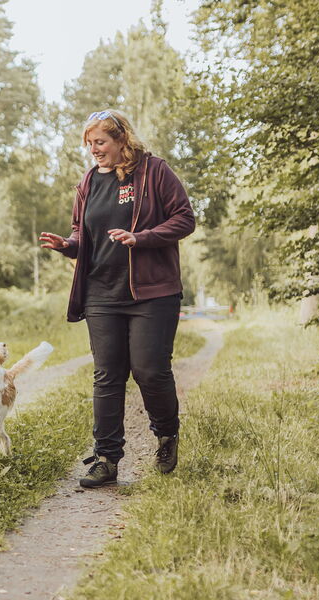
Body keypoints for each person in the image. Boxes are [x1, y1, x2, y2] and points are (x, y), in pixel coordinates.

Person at [39, 110, 195, 488]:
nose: (93, 150)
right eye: (89, 144)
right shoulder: (89, 181)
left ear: (122, 139)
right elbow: (82, 232)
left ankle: (166, 434)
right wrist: (68, 245)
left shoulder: (154, 171)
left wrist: (141, 237)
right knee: (107, 376)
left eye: (100, 142)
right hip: (101, 292)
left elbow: (184, 218)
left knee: (149, 369)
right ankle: (107, 459)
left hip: (151, 292)